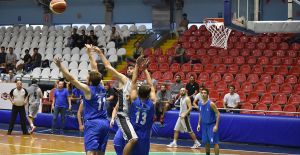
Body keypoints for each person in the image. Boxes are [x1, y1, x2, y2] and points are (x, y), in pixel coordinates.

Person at [54, 44, 109, 155]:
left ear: (90, 81)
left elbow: (71, 79)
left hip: (93, 123)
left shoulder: (88, 89)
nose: (86, 77)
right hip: (105, 123)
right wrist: (89, 53)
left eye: (87, 77)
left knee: (90, 151)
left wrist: (60, 66)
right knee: (100, 152)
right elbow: (95, 67)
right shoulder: (101, 85)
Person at [94, 45, 137, 155]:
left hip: (132, 117)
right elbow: (108, 67)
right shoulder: (125, 79)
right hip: (123, 115)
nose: (129, 70)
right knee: (127, 141)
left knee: (122, 142)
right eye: (128, 68)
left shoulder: (138, 85)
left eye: (131, 68)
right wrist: (100, 53)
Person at [114, 56, 156, 155]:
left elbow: (133, 82)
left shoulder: (134, 100)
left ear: (138, 92)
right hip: (144, 135)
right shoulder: (152, 102)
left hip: (133, 132)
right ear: (149, 93)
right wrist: (145, 70)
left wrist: (137, 65)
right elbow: (151, 85)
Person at [197, 88, 220, 155]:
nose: (203, 94)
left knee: (215, 143)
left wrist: (216, 125)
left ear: (207, 94)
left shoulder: (211, 104)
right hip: (204, 125)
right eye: (202, 93)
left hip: (211, 125)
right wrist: (198, 124)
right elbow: (200, 114)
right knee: (206, 142)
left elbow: (218, 114)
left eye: (205, 93)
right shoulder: (199, 103)